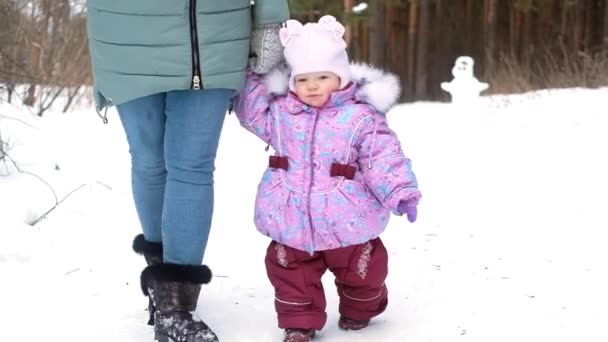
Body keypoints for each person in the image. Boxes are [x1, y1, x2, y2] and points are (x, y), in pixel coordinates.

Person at [85, 1, 289, 341]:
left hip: (211, 34)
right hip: (124, 30)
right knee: (149, 160)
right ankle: (162, 288)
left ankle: (174, 307)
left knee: (191, 165)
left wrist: (270, 17)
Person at [233, 15, 422, 342]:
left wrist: (401, 192)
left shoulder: (360, 117)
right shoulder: (281, 113)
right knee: (290, 270)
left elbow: (383, 156)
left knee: (364, 272)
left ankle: (362, 306)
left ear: (342, 75)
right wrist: (248, 76)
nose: (313, 85)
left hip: (349, 219)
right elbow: (251, 113)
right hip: (290, 217)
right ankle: (299, 322)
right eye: (304, 79)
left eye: (323, 76)